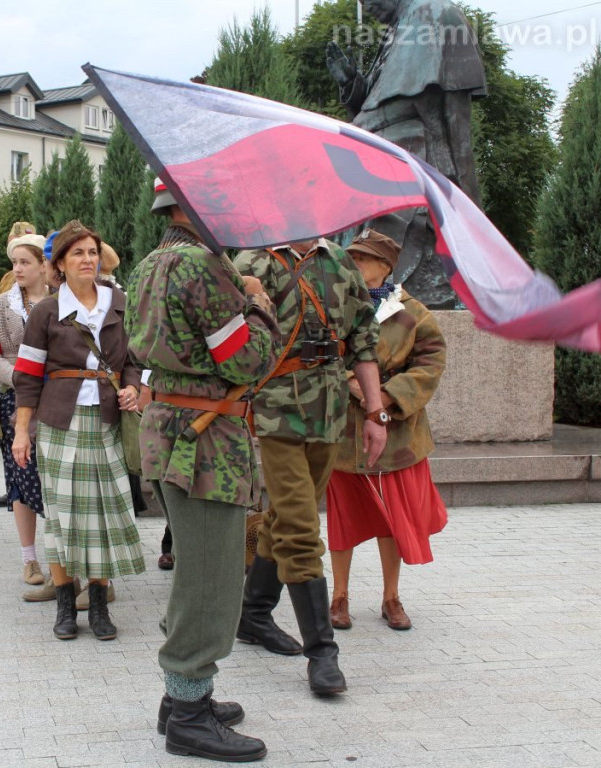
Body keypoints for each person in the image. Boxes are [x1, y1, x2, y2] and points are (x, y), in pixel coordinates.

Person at [124, 182, 276, 761]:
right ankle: (188, 714)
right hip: (205, 444)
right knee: (211, 580)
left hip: (171, 430)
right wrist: (258, 303)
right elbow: (245, 359)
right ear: (188, 207)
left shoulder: (148, 264)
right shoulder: (202, 267)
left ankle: (183, 698)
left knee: (195, 568)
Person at [234, 237, 386, 697]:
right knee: (302, 529)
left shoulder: (338, 261)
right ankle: (322, 653)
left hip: (330, 411)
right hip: (275, 409)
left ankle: (254, 614)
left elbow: (362, 337)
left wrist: (376, 412)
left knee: (284, 518)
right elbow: (232, 341)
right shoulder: (251, 262)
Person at [12, 219, 145, 642]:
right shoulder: (47, 312)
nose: (87, 260)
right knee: (64, 517)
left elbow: (136, 358)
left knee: (105, 515)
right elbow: (28, 376)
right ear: (61, 265)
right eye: (78, 254)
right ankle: (67, 607)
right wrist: (21, 432)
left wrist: (132, 388)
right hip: (58, 422)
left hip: (107, 422)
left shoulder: (119, 302)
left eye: (92, 252)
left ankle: (101, 606)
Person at [326, 0, 486, 307]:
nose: (366, 6)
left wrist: (469, 210)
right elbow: (375, 102)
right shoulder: (395, 31)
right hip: (368, 158)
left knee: (382, 258)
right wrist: (350, 82)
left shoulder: (440, 15)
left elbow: (457, 123)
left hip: (408, 158)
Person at [327, 229, 448, 631]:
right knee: (343, 516)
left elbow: (431, 360)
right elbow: (323, 350)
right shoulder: (336, 306)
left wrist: (388, 396)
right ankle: (339, 596)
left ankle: (391, 597)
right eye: (351, 257)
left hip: (396, 431)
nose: (354, 265)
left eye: (362, 259)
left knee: (392, 518)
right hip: (345, 427)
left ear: (385, 266)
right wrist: (352, 383)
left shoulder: (411, 311)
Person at [0, 233, 49, 586]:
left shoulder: (60, 301)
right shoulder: (1, 306)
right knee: (21, 475)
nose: (17, 268)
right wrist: (20, 377)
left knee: (55, 477)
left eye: (25, 262)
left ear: (44, 265)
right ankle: (29, 559)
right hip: (16, 399)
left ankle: (66, 556)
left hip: (57, 399)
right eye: (15, 262)